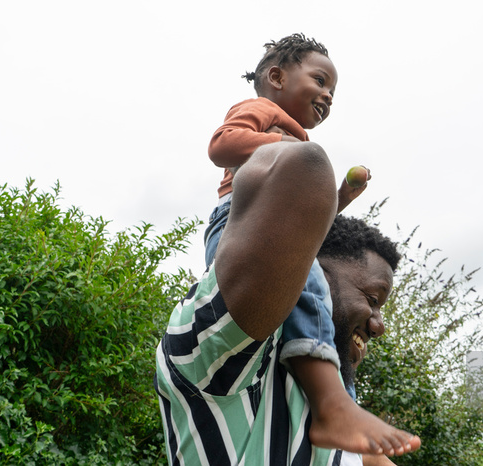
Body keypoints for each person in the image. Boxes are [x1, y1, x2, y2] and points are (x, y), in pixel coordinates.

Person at [155, 141, 421, 465]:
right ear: (311, 273)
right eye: (372, 299)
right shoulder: (218, 352)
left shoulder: (346, 442)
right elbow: (304, 169)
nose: (378, 326)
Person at [201, 33, 398, 456]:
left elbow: (313, 223)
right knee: (311, 285)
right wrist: (288, 151)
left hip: (272, 226)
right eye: (320, 81)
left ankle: (331, 398)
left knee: (315, 295)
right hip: (241, 221)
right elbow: (222, 145)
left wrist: (338, 198)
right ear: (276, 76)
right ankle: (331, 402)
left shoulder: (300, 143)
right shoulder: (262, 111)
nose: (328, 96)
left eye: (333, 91)